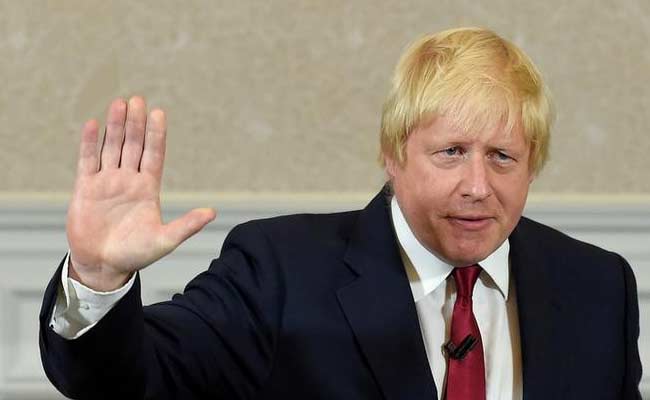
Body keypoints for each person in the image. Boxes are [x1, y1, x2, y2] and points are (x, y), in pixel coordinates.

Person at [39, 27, 642, 399]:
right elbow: (124, 383)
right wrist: (98, 277)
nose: (478, 186)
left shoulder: (597, 285)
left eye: (503, 157)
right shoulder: (279, 271)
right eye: (452, 152)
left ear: (533, 165)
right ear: (392, 153)